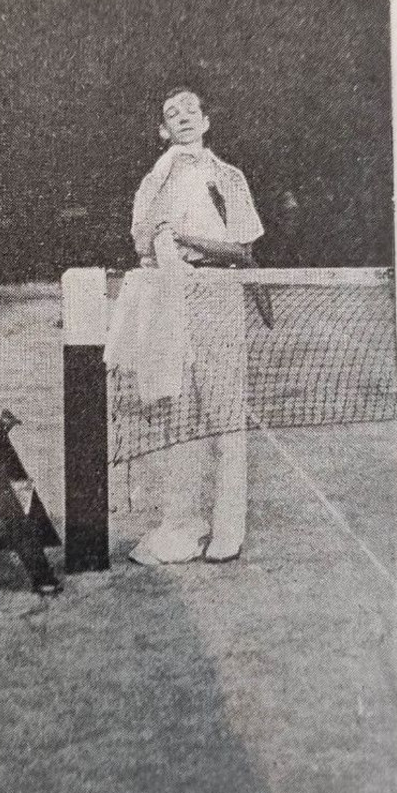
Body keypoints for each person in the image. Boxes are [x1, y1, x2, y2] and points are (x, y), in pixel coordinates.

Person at [109, 87, 264, 566]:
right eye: (171, 114)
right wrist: (161, 237)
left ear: (206, 121)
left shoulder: (229, 177)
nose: (183, 118)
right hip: (170, 302)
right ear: (162, 131)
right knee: (180, 417)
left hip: (218, 298)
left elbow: (243, 252)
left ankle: (227, 528)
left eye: (191, 110)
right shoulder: (152, 180)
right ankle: (183, 523)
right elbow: (140, 245)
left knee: (224, 417)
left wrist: (185, 239)